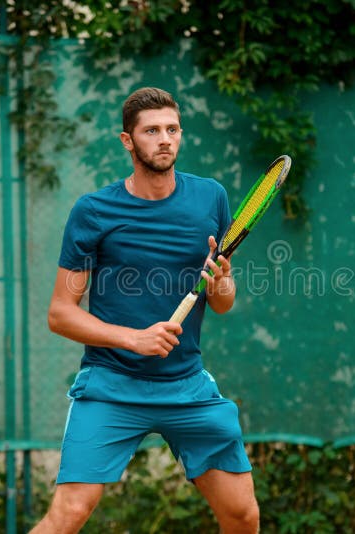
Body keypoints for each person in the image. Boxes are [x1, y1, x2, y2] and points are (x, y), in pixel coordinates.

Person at [30, 87, 259, 533]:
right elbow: (60, 313)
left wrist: (223, 278)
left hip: (187, 386)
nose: (165, 139)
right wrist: (133, 339)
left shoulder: (210, 198)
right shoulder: (94, 212)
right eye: (151, 131)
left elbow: (223, 303)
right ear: (127, 141)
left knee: (242, 514)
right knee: (68, 515)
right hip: (111, 386)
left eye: (172, 129)